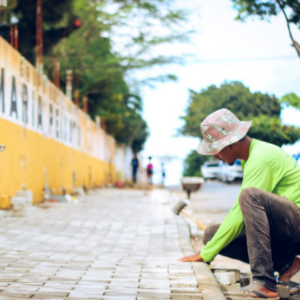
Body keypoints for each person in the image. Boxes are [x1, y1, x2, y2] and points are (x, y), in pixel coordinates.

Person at [178, 108, 300, 300]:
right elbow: (245, 216)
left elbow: (241, 212)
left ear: (230, 145)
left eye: (215, 151)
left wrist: (206, 254)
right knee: (211, 235)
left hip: (296, 225)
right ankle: (286, 263)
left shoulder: (260, 158)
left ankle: (265, 282)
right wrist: (209, 248)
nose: (215, 157)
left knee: (249, 196)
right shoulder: (250, 157)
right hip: (285, 228)